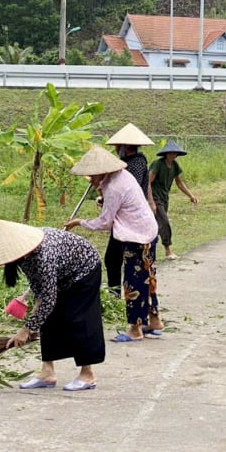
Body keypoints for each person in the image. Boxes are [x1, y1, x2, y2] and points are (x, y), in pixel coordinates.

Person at [0, 219, 105, 392]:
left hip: (84, 269)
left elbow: (49, 298)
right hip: (62, 274)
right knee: (47, 319)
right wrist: (35, 321)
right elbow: (41, 292)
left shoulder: (43, 254)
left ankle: (87, 374)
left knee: (77, 318)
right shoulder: (23, 257)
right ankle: (47, 373)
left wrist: (26, 329)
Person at [64, 144, 161, 341]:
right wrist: (103, 199)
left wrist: (79, 222)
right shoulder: (122, 176)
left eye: (92, 176)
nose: (90, 180)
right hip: (148, 231)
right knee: (148, 277)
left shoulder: (114, 187)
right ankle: (154, 320)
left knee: (133, 283)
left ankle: (135, 329)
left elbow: (105, 223)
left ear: (102, 172)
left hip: (136, 237)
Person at [102, 123, 154, 297]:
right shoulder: (128, 164)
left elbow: (127, 191)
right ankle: (118, 293)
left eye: (118, 146)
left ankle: (118, 294)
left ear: (125, 147)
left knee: (117, 259)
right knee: (114, 259)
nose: (116, 150)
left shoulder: (135, 164)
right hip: (125, 217)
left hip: (130, 220)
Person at [149, 140, 198, 260]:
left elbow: (179, 182)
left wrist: (191, 196)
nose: (172, 155)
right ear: (165, 154)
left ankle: (149, 251)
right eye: (170, 153)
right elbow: (147, 182)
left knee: (155, 224)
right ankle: (168, 250)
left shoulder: (175, 166)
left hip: (164, 197)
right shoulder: (157, 164)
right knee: (164, 222)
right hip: (155, 197)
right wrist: (151, 201)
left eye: (174, 153)